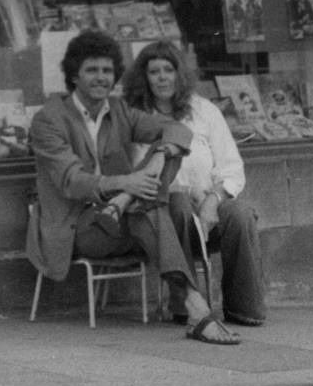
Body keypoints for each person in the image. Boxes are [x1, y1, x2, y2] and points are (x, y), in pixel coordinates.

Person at [27, 29, 240, 345]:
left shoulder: (119, 110)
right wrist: (127, 183)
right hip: (79, 225)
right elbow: (73, 182)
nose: (101, 78)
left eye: (107, 70)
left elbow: (178, 129)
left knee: (155, 178)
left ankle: (195, 309)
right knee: (148, 205)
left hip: (122, 217)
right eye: (92, 70)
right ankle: (197, 308)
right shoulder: (49, 119)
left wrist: (149, 169)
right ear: (74, 75)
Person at [121, 41, 268, 328]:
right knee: (175, 203)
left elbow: (231, 167)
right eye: (154, 72)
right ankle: (186, 306)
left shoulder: (203, 110)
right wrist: (184, 192)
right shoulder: (135, 118)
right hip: (164, 214)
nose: (162, 77)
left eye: (168, 70)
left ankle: (244, 308)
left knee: (240, 214)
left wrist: (213, 199)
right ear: (144, 77)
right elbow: (136, 170)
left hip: (207, 208)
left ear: (180, 74)